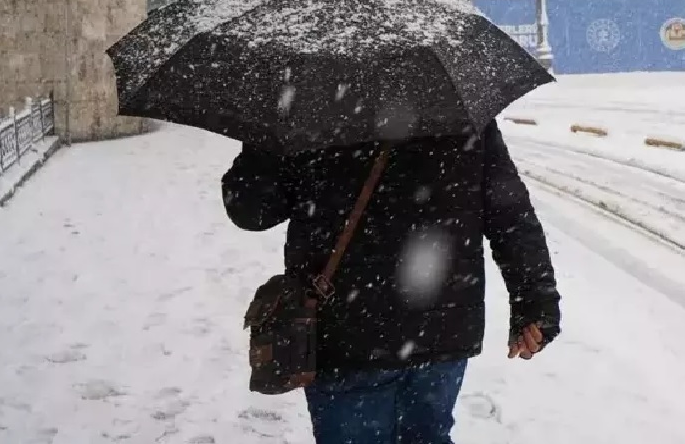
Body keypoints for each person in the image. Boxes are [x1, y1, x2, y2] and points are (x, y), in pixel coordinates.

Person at [221, 120, 561, 444]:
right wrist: (536, 301)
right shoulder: (452, 96)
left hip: (346, 331)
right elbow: (510, 213)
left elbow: (251, 210)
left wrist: (267, 138)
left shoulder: (309, 95)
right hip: (441, 330)